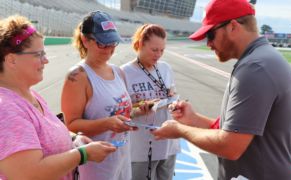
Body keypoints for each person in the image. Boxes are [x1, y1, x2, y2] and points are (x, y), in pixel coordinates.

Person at [152, 0, 291, 179]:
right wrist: (193, 119)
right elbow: (238, 129)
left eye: (211, 35)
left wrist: (179, 130)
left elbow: (230, 146)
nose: (208, 44)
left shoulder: (255, 68)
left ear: (232, 26)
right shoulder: (262, 59)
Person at [0, 15, 116, 180]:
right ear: (11, 60)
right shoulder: (6, 110)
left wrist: (74, 139)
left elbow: (43, 136)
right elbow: (28, 174)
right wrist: (82, 154)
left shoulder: (31, 95)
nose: (46, 60)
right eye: (38, 54)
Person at [61, 11, 134, 180]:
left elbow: (119, 110)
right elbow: (70, 125)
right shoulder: (78, 76)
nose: (109, 49)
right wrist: (107, 124)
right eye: (102, 44)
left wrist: (138, 112)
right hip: (96, 165)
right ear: (85, 40)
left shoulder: (118, 72)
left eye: (113, 43)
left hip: (122, 156)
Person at [121, 24, 180, 180]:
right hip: (140, 149)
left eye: (162, 50)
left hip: (168, 145)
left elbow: (172, 97)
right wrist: (139, 109)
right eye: (154, 50)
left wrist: (175, 104)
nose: (159, 54)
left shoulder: (165, 68)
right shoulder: (125, 73)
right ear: (140, 44)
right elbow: (119, 112)